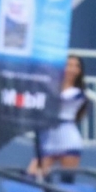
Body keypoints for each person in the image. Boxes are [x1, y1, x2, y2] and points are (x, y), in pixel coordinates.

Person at [32, 55, 87, 183]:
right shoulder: (50, 86)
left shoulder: (77, 93)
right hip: (48, 138)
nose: (72, 69)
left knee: (67, 181)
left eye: (76, 66)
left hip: (67, 138)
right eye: (68, 65)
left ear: (80, 71)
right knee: (32, 176)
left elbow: (55, 102)